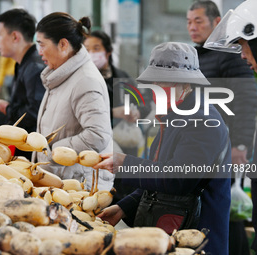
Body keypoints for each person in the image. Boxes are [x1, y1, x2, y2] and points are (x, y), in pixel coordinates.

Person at [94, 42, 231, 255]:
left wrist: (125, 163)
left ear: (187, 84)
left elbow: (177, 178)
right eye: (155, 81)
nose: (157, 87)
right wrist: (124, 207)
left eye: (165, 81)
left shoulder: (203, 121)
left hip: (197, 240)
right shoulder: (172, 114)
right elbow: (157, 171)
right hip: (169, 230)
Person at [187, 2, 257, 254]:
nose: (192, 27)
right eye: (189, 22)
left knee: (223, 209)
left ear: (217, 22)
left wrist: (241, 144)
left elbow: (247, 99)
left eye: (198, 21)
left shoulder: (231, 55)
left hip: (225, 146)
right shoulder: (199, 55)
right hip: (205, 146)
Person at [33, 12, 114, 190]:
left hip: (79, 187)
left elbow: (98, 135)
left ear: (63, 44)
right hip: (62, 179)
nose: (39, 52)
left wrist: (54, 152)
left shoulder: (85, 80)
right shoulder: (61, 75)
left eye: (42, 45)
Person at [83, 30, 152, 202]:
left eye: (96, 48)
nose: (91, 53)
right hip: (98, 146)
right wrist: (114, 112)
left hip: (127, 144)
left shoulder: (122, 77)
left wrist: (136, 112)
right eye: (87, 49)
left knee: (125, 189)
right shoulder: (84, 79)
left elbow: (144, 102)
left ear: (107, 51)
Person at [0, 9, 45, 160]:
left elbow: (35, 114)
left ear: (15, 36)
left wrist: (8, 109)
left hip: (30, 153)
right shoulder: (24, 64)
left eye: (0, 34)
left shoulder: (34, 68)